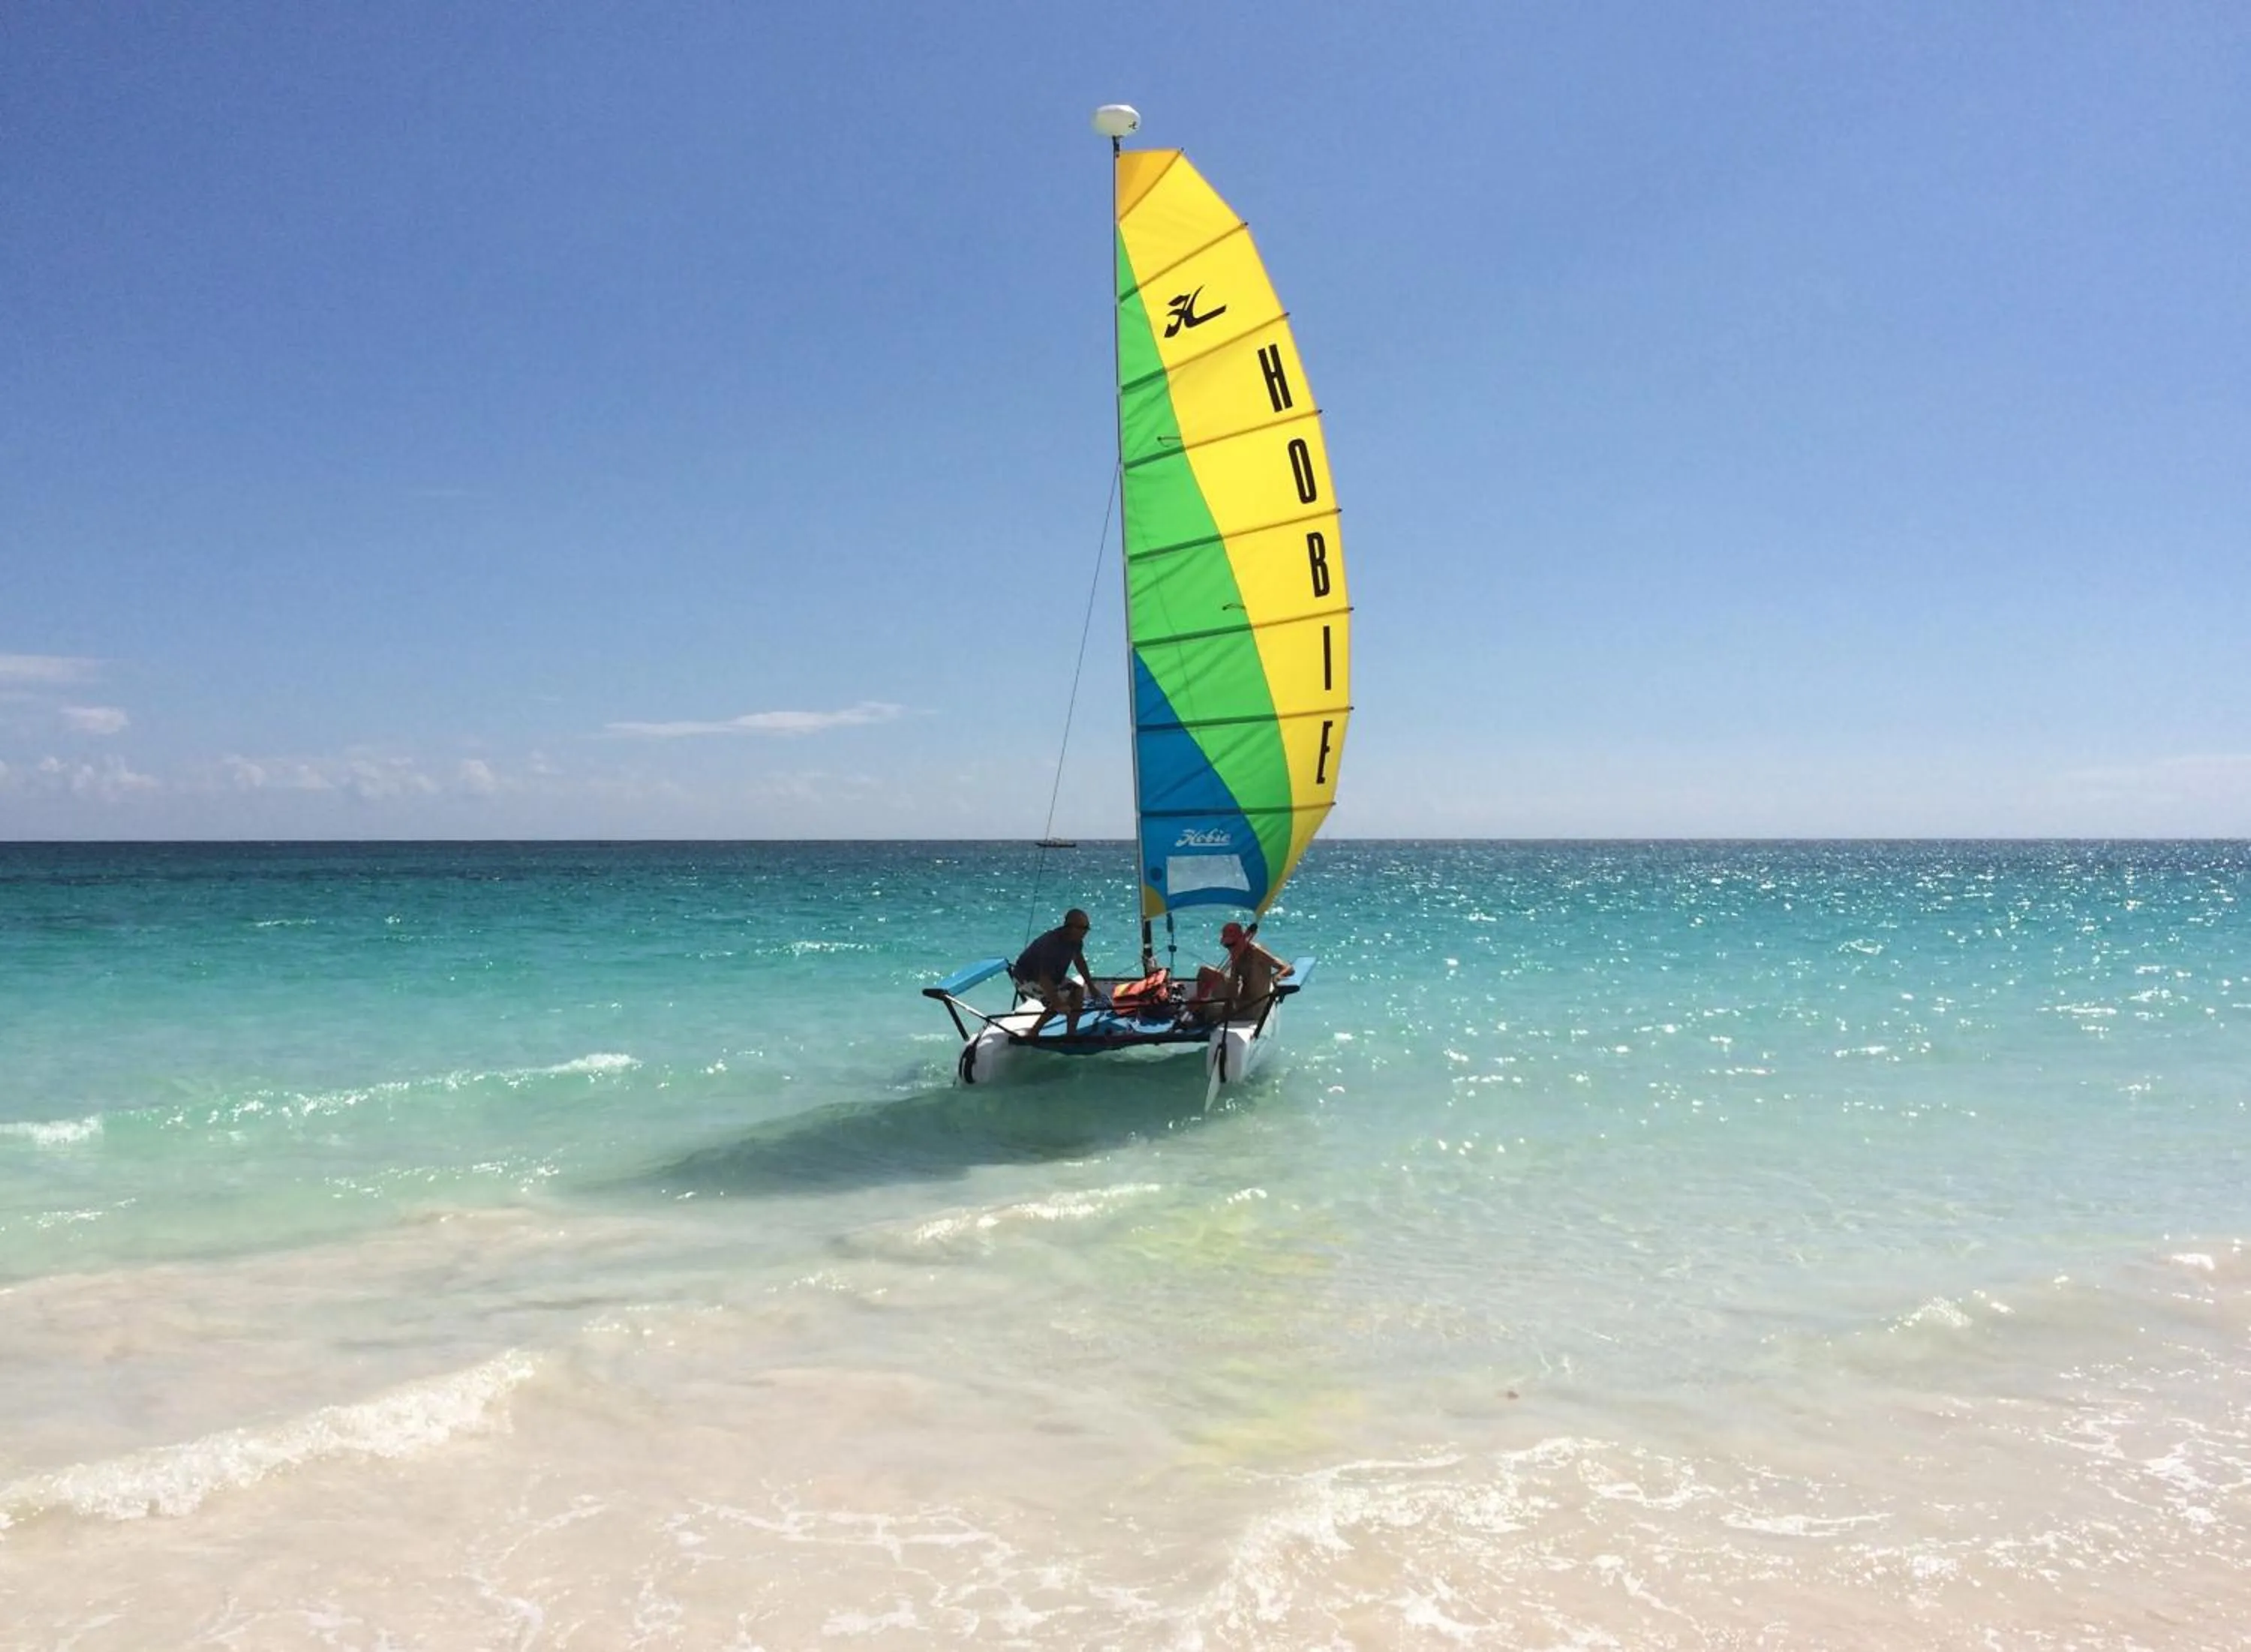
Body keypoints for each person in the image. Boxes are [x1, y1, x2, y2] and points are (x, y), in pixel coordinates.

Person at [1013, 908, 1096, 1038]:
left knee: (1078, 991)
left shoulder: (1076, 941)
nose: (1085, 932)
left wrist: (1091, 987)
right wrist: (1058, 1004)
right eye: (1081, 928)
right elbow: (1044, 979)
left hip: (1051, 977)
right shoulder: (1051, 943)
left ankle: (1071, 1034)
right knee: (1060, 999)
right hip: (1026, 979)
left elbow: (1079, 961)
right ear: (1069, 927)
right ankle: (1033, 1033)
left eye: (1087, 928)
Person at [1190, 920, 1293, 1025]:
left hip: (1253, 1007)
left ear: (1242, 940)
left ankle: (1199, 1019)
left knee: (1203, 1008)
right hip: (1241, 1000)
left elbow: (1288, 968)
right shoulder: (1236, 956)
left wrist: (1277, 977)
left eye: (1233, 945)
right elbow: (1233, 990)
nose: (1230, 949)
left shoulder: (1256, 951)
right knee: (1204, 971)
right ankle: (1201, 1009)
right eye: (1227, 946)